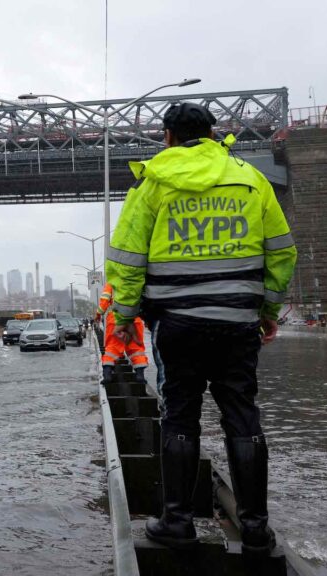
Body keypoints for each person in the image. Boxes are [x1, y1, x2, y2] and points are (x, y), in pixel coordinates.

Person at [106, 102, 297, 553]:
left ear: (167, 136)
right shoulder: (250, 180)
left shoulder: (153, 182)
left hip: (177, 325)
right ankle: (255, 529)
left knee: (180, 416)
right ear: (214, 135)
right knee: (242, 417)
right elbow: (282, 252)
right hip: (237, 324)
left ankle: (177, 522)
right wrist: (268, 311)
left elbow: (128, 259)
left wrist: (126, 318)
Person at [95, 282, 148, 385]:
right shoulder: (137, 280)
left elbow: (104, 301)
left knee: (112, 347)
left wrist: (98, 314)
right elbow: (146, 300)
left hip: (116, 319)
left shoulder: (111, 283)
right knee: (136, 348)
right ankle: (140, 376)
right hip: (134, 317)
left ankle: (107, 375)